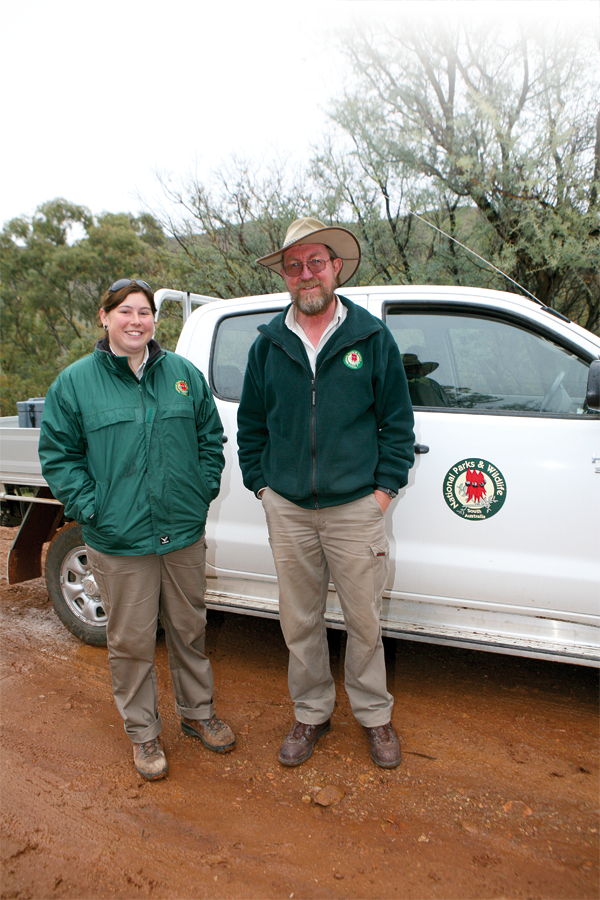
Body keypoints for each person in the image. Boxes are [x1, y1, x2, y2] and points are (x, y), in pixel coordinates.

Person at [39, 278, 235, 781]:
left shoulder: (183, 375)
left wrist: (200, 491)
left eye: (144, 311)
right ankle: (143, 734)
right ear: (104, 318)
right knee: (130, 641)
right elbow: (59, 456)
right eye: (124, 311)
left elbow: (211, 439)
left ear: (154, 320)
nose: (136, 320)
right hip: (119, 540)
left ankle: (197, 714)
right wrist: (92, 507)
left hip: (182, 534)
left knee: (190, 631)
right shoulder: (76, 384)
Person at [237, 218, 415, 769]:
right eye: (294, 265)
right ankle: (311, 712)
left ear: (335, 267)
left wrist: (382, 494)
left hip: (355, 510)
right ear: (286, 276)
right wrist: (263, 487)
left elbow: (397, 426)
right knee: (300, 620)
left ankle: (374, 716)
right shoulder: (267, 346)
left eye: (316, 262)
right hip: (288, 510)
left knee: (365, 620)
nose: (305, 273)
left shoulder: (370, 337)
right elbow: (251, 428)